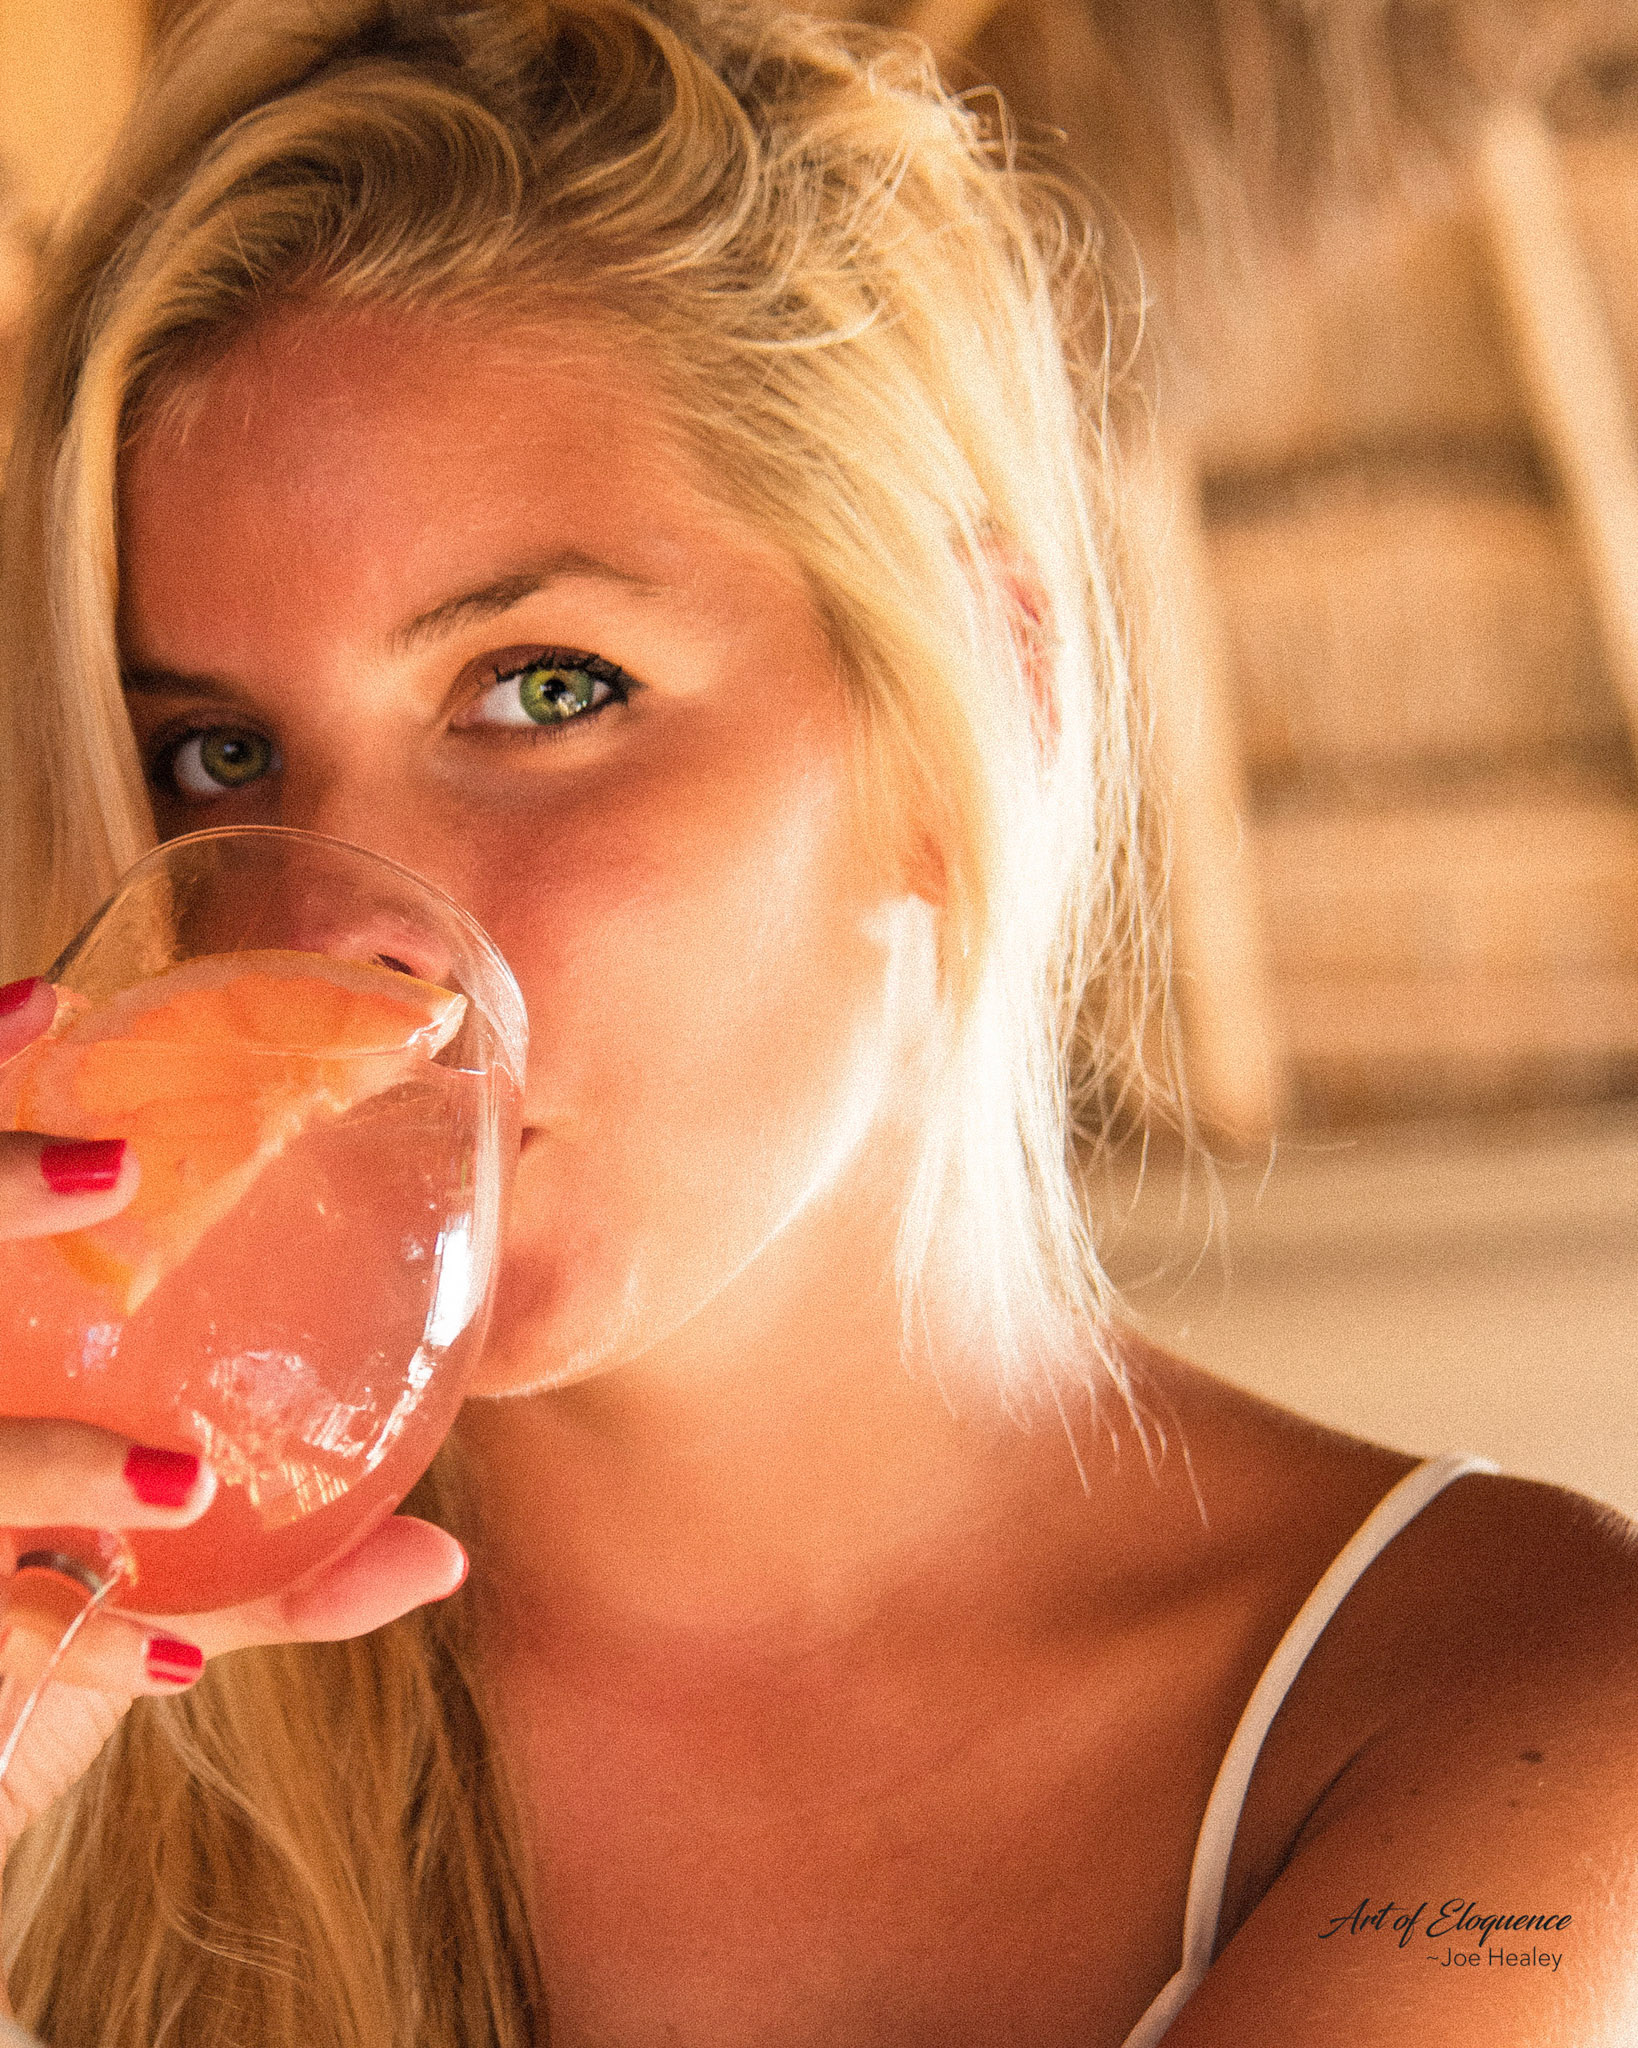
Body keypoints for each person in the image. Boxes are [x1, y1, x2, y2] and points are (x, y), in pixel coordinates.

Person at [0, 2, 1634, 2042]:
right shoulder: (84, 1680)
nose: (335, 935)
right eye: (218, 754)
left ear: (981, 707)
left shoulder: (1516, 1721)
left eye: (544, 688)